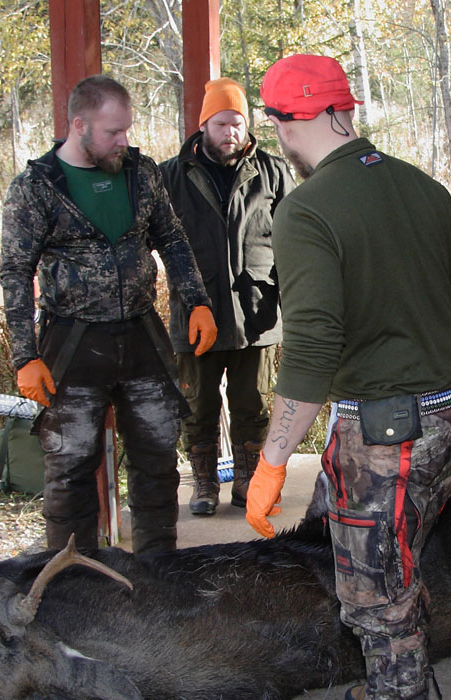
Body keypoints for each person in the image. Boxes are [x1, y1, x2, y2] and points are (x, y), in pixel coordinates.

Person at [246, 55, 451, 700]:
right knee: (400, 566)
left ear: (286, 123)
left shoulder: (305, 210)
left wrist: (271, 464)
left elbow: (312, 349)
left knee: (373, 597)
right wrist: (435, 377)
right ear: (343, 109)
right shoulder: (422, 186)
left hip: (387, 436)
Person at [0, 74, 217, 554]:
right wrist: (24, 357)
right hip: (72, 342)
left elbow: (172, 239)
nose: (124, 141)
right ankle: (74, 575)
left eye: (126, 130)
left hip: (142, 336)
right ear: (79, 125)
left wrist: (197, 301)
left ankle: (159, 572)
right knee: (70, 468)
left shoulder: (142, 173)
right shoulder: (36, 187)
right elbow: (15, 272)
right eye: (113, 132)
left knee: (158, 461)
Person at [160, 77, 295, 516]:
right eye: (221, 124)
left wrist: (293, 302)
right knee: (198, 405)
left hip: (256, 312)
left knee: (252, 404)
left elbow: (295, 240)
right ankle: (203, 484)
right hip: (194, 312)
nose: (230, 132)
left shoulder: (272, 172)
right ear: (203, 125)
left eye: (238, 123)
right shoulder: (171, 176)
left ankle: (247, 481)